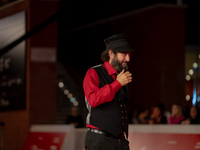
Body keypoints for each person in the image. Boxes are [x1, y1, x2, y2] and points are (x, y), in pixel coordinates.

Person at [83, 33, 133, 150]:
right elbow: (93, 100)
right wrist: (117, 84)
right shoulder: (93, 72)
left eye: (129, 54)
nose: (128, 59)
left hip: (121, 141)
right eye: (124, 54)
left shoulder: (120, 76)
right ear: (111, 53)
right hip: (100, 140)